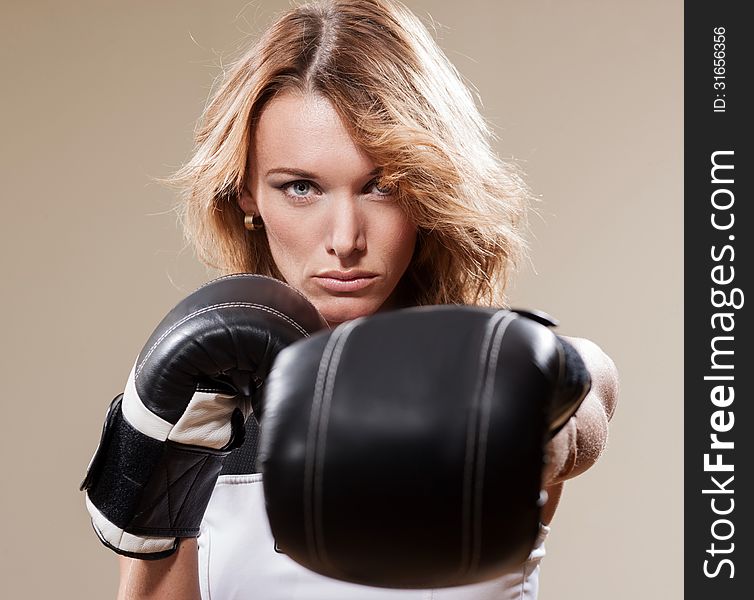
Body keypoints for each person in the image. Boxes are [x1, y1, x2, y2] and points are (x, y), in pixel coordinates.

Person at [109, 0, 618, 598]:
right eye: (301, 187)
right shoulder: (195, 397)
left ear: (429, 189)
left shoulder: (489, 373)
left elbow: (591, 391)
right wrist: (151, 483)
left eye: (381, 186)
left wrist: (540, 410)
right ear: (247, 191)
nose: (345, 240)